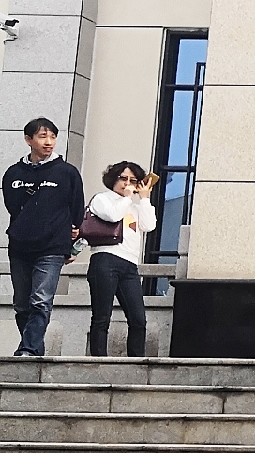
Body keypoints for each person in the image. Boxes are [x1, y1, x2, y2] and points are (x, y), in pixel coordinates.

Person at [4, 117, 84, 357]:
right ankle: (35, 352)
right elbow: (13, 207)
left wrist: (70, 244)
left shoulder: (67, 172)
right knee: (21, 304)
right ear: (28, 140)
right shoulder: (13, 173)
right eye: (42, 136)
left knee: (40, 300)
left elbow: (76, 210)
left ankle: (27, 348)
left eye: (52, 136)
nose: (49, 142)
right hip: (20, 247)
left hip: (52, 247)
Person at [82, 160, 157, 357]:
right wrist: (128, 197)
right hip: (105, 259)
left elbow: (149, 225)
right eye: (123, 178)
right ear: (113, 179)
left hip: (129, 265)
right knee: (102, 317)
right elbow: (112, 215)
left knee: (138, 319)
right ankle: (98, 360)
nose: (128, 184)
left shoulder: (134, 206)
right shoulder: (102, 198)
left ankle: (136, 361)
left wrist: (144, 199)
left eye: (133, 180)